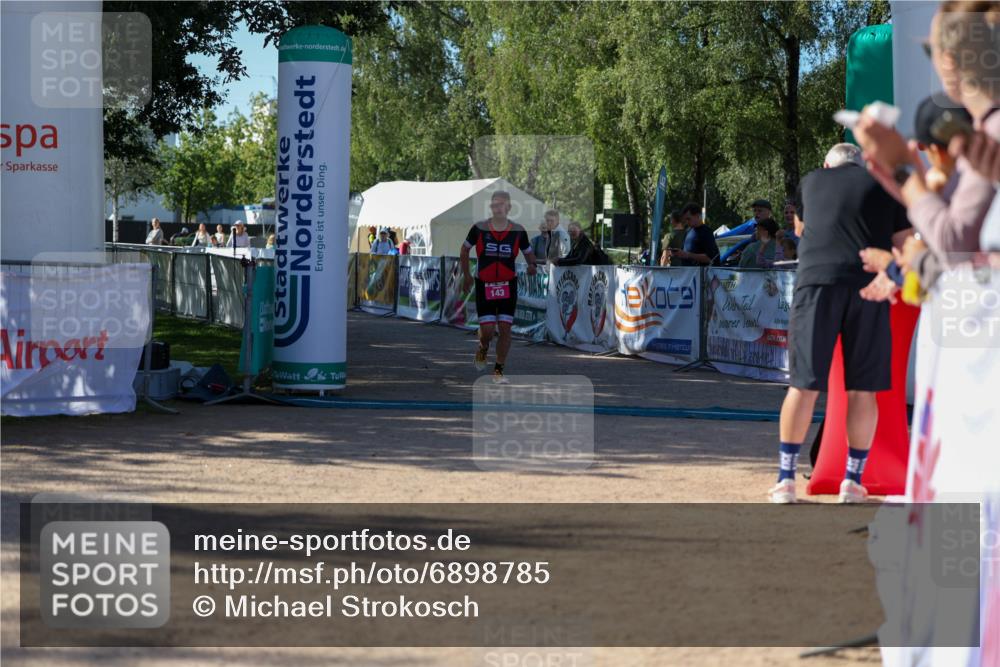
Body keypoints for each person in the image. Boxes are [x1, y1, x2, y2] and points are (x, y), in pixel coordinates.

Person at [768, 143, 912, 504]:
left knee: (803, 385)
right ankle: (852, 481)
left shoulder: (811, 181)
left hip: (816, 282)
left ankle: (786, 480)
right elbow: (906, 244)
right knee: (862, 389)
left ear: (827, 164)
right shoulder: (884, 185)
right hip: (868, 283)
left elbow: (801, 230)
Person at [460, 191, 537, 383]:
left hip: (508, 285)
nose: (498, 208)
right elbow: (464, 249)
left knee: (505, 328)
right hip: (484, 284)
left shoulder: (518, 230)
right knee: (486, 331)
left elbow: (528, 252)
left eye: (501, 204)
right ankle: (483, 348)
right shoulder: (479, 228)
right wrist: (467, 275)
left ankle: (498, 371)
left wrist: (532, 265)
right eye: (494, 204)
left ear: (509, 207)